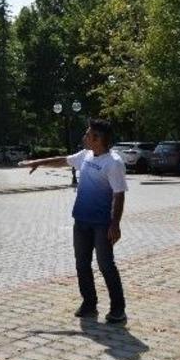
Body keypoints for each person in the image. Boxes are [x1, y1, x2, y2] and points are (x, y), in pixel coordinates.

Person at [19, 118, 129, 325]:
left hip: (102, 224)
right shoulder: (85, 156)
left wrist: (115, 225)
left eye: (88, 134)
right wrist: (39, 162)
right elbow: (63, 160)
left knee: (106, 265)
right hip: (81, 221)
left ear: (98, 139)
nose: (84, 137)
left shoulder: (113, 163)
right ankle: (89, 303)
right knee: (81, 264)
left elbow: (119, 195)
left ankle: (118, 309)